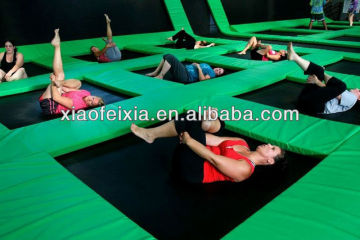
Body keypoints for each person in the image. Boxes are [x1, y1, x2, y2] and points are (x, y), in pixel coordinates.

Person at [131, 112, 285, 184]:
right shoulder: (241, 142)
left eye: (272, 149)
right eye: (272, 145)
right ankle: (209, 122)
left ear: (270, 161)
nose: (268, 145)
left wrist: (190, 141)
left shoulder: (245, 169)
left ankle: (151, 135)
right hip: (195, 153)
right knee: (195, 118)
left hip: (192, 171)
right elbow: (214, 140)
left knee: (192, 121)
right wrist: (199, 130)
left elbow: (213, 158)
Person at [39, 29, 104, 116]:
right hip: (59, 95)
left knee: (60, 76)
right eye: (93, 98)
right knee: (78, 83)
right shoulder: (86, 93)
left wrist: (54, 82)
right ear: (94, 95)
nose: (90, 100)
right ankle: (57, 46)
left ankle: (57, 46)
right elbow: (67, 89)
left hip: (50, 105)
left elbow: (56, 97)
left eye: (91, 103)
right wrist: (60, 85)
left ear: (89, 107)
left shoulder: (77, 105)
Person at [287, 42, 360, 114]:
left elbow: (337, 94)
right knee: (319, 70)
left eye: (359, 91)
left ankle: (321, 72)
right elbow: (331, 91)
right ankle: (295, 57)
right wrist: (320, 74)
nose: (357, 88)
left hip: (313, 105)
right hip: (305, 100)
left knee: (342, 86)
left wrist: (317, 82)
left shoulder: (353, 99)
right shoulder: (348, 96)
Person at [146, 54, 224, 83]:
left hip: (186, 76)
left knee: (170, 57)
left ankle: (160, 76)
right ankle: (155, 73)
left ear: (217, 75)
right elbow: (196, 67)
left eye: (219, 72)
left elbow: (202, 80)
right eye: (219, 69)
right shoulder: (208, 65)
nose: (218, 70)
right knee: (166, 56)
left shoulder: (212, 74)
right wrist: (193, 65)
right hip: (184, 69)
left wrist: (199, 68)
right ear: (217, 67)